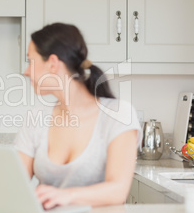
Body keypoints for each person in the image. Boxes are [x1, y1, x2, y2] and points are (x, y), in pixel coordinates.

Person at [14, 23, 142, 209]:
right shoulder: (36, 118)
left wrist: (66, 196)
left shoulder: (118, 115)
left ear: (52, 63)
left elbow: (118, 190)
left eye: (30, 61)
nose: (26, 71)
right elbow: (16, 184)